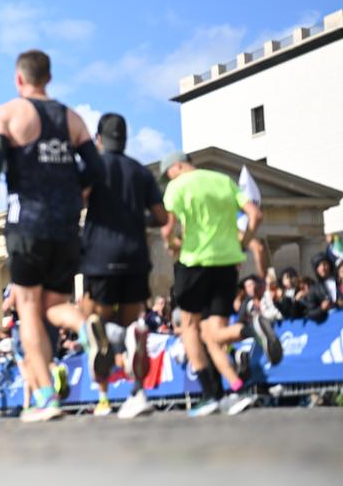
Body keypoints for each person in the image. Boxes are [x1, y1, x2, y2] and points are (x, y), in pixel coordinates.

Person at [0, 50, 109, 422]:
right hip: (67, 223)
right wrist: (77, 191)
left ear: (19, 79)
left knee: (29, 309)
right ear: (48, 78)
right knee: (54, 305)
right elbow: (96, 169)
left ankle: (46, 398)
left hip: (27, 222)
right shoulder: (73, 118)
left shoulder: (6, 114)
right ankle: (86, 326)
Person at [158, 151, 280, 417]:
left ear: (177, 166)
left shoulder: (177, 186)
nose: (168, 177)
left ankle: (210, 395)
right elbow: (255, 215)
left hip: (194, 263)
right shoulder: (223, 180)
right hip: (227, 264)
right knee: (214, 332)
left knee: (189, 327)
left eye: (168, 172)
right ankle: (251, 332)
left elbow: (167, 229)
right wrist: (244, 242)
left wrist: (172, 246)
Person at [79, 113, 168, 419]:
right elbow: (161, 217)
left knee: (93, 322)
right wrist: (135, 217)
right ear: (126, 139)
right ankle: (138, 394)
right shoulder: (141, 172)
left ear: (98, 140)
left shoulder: (93, 168)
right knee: (133, 326)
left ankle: (103, 397)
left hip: (100, 256)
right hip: (135, 256)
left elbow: (76, 200)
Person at [305, 252, 341, 322]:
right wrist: (322, 308)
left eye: (325, 264)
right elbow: (310, 313)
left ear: (330, 265)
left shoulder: (339, 281)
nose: (323, 268)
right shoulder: (314, 289)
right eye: (319, 266)